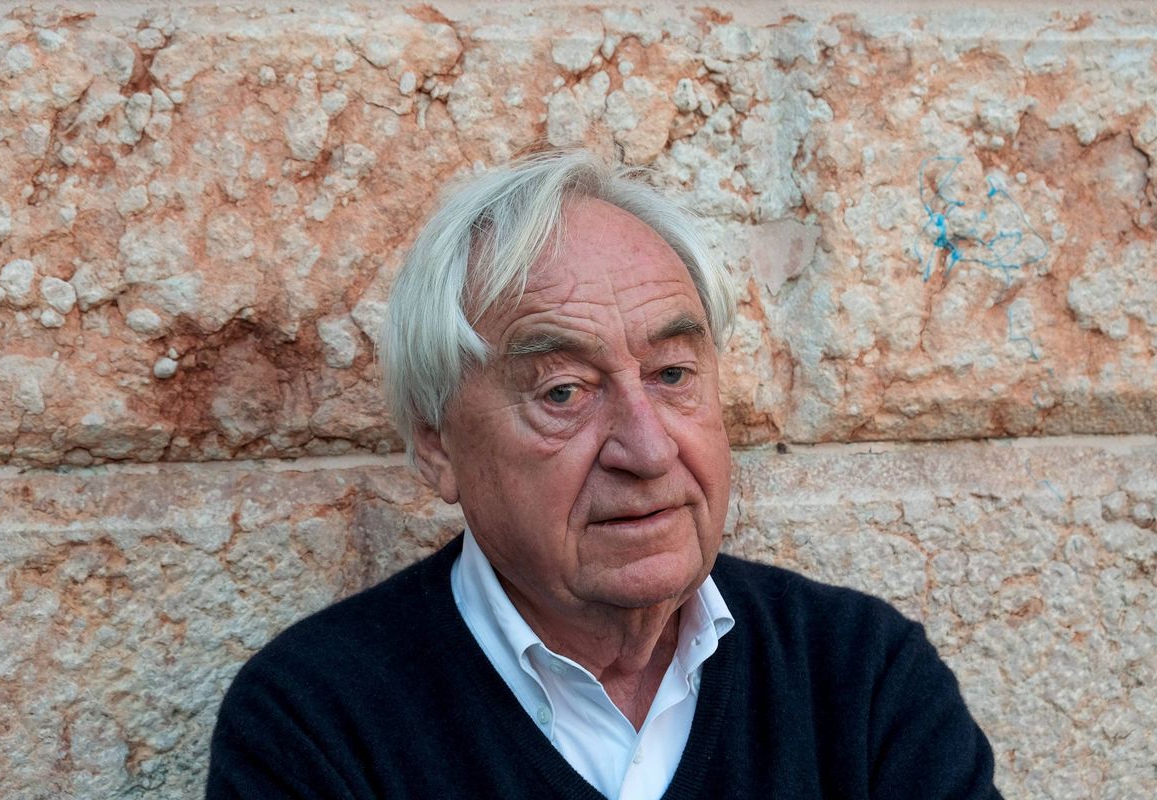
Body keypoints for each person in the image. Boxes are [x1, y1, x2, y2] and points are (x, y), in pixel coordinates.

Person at [206, 149, 1001, 799]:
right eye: (564, 391)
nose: (648, 452)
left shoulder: (861, 679)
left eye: (672, 374)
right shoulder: (316, 725)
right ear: (438, 446)